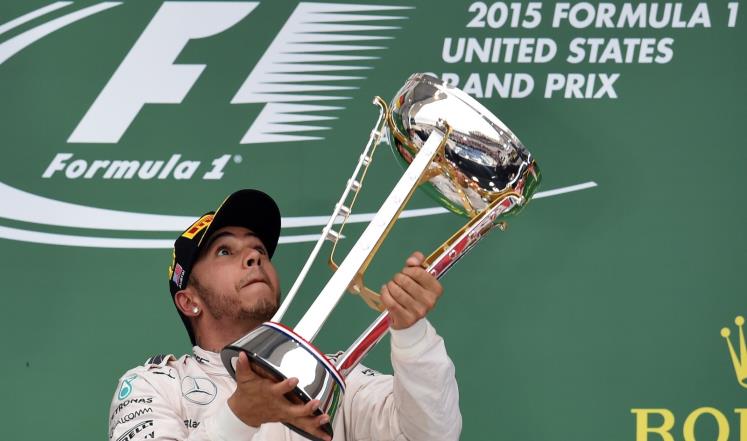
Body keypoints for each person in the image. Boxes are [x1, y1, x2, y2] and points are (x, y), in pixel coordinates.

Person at [108, 189, 462, 441]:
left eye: (259, 249)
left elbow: (433, 435)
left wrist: (412, 335)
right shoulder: (155, 385)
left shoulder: (333, 378)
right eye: (225, 251)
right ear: (189, 301)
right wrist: (240, 415)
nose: (254, 257)